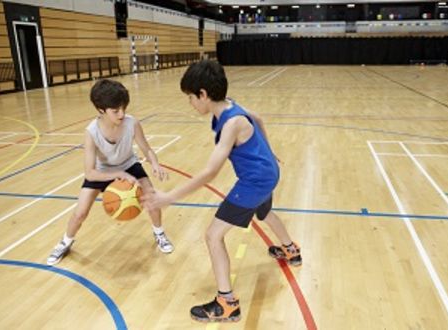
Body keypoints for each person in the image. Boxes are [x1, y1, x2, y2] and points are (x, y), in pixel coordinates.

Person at [142, 60, 301, 323]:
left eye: (191, 98)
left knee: (213, 235)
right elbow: (258, 118)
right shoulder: (229, 104)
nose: (190, 103)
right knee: (266, 211)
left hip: (254, 182)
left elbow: (210, 172)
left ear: (203, 94)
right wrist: (268, 152)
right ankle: (290, 249)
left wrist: (168, 197)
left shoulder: (231, 124)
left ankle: (226, 303)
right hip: (268, 173)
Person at [46, 79, 174, 266]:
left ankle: (159, 233)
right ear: (101, 109)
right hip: (102, 172)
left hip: (129, 165)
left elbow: (146, 149)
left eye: (123, 108)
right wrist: (118, 175)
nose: (122, 114)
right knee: (80, 213)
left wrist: (155, 163)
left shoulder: (132, 123)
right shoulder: (91, 132)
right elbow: (89, 173)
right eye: (116, 111)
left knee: (152, 199)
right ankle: (65, 242)